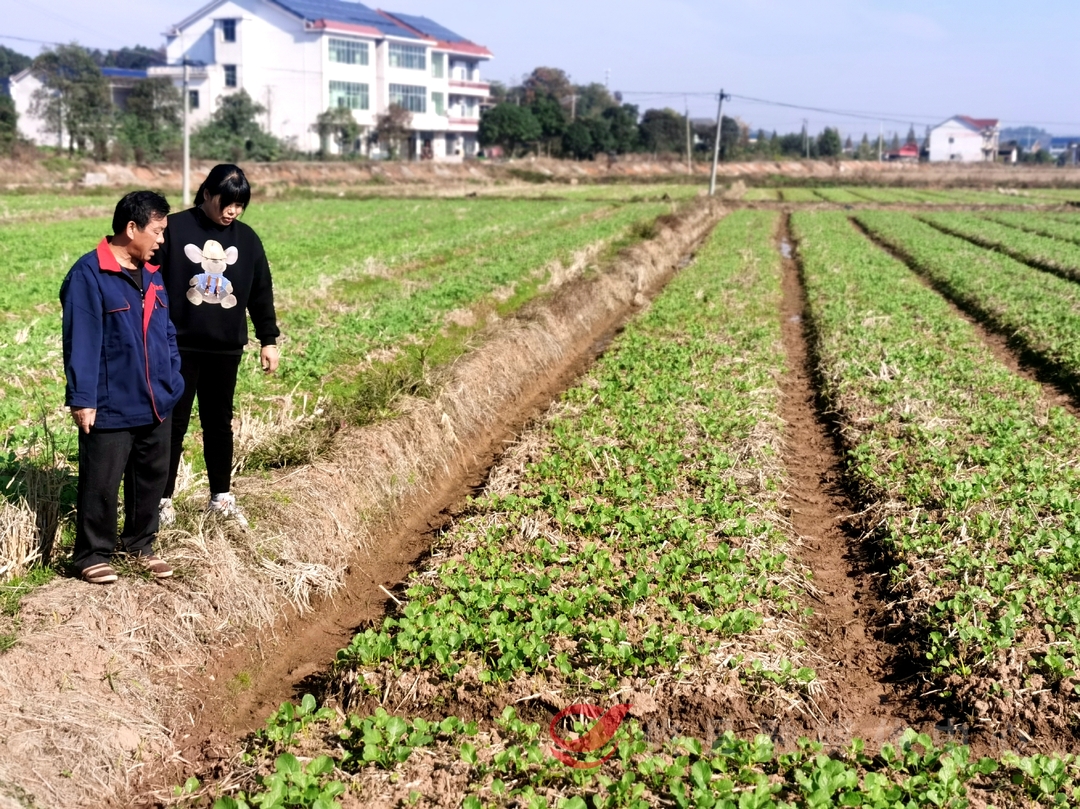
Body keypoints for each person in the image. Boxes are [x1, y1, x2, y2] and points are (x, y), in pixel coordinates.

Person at [60, 191, 184, 584]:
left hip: (157, 398)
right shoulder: (89, 274)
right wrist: (83, 398)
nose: (161, 240)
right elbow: (81, 340)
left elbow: (166, 331)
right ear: (132, 228)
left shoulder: (152, 274)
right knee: (101, 481)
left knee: (151, 476)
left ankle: (140, 546)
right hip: (111, 399)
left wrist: (173, 378)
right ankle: (91, 554)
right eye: (157, 231)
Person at [157, 164, 280, 528]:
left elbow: (261, 292)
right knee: (173, 424)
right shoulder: (175, 229)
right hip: (178, 346)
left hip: (225, 348)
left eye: (240, 205)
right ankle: (162, 500)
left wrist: (268, 339)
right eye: (227, 203)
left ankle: (220, 498)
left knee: (219, 423)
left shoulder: (247, 239)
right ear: (207, 193)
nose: (233, 212)